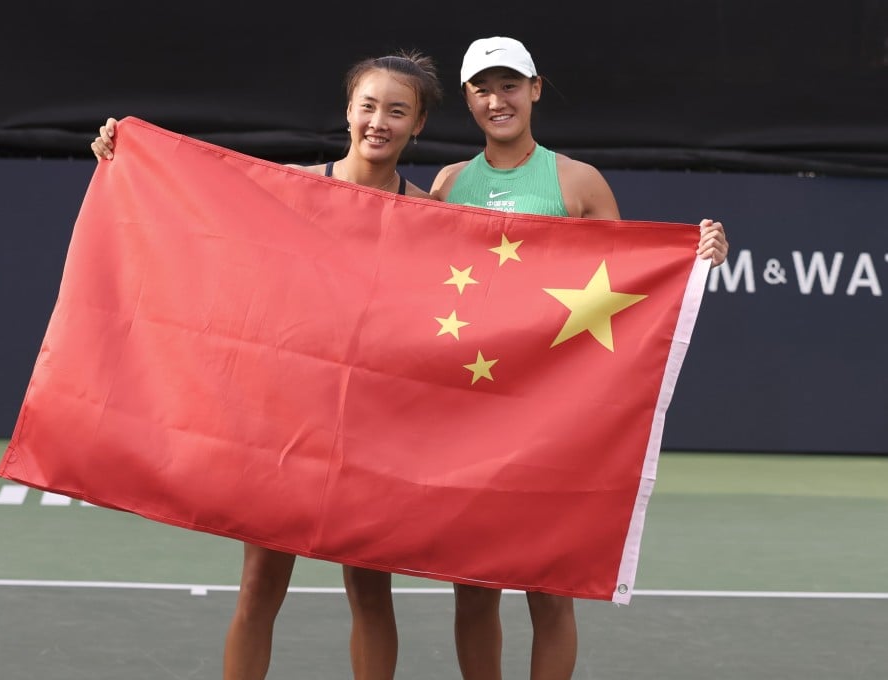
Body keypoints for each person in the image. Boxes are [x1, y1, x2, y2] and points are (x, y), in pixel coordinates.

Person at [90, 50, 443, 680]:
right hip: (287, 425)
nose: (378, 121)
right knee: (260, 587)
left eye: (397, 110)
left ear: (417, 125)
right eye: (368, 105)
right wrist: (125, 156)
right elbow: (198, 206)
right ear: (348, 111)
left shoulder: (433, 217)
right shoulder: (290, 186)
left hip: (372, 435)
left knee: (371, 594)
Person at [430, 36, 729, 680]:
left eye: (510, 85)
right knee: (472, 588)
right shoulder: (449, 183)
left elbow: (622, 292)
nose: (497, 99)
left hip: (552, 423)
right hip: (472, 416)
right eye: (483, 88)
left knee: (548, 587)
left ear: (536, 89)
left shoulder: (578, 182)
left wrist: (695, 254)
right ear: (467, 100)